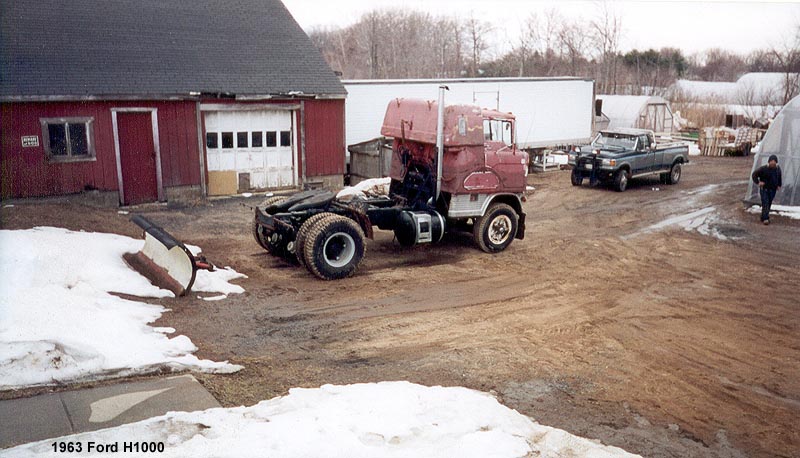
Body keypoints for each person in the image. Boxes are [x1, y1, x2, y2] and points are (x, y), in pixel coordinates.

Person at [751, 154, 782, 225]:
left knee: (769, 203)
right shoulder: (763, 169)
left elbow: (779, 177)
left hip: (773, 189)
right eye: (772, 161)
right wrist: (758, 182)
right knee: (765, 202)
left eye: (774, 161)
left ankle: (763, 217)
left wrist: (779, 185)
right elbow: (754, 175)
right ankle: (766, 218)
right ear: (769, 161)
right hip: (764, 189)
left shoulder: (777, 169)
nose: (773, 163)